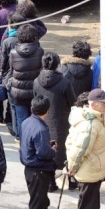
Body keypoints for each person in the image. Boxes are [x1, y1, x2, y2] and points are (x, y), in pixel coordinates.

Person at [65, 88, 105, 209]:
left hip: (92, 172)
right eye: (103, 103)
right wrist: (72, 168)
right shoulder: (91, 124)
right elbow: (80, 149)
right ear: (94, 105)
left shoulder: (96, 120)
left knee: (91, 208)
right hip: (89, 174)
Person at [33, 51, 75, 190]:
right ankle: (71, 180)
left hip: (42, 121)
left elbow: (35, 99)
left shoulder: (36, 81)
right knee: (66, 151)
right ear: (57, 64)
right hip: (61, 122)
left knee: (47, 150)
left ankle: (50, 182)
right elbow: (72, 102)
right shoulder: (64, 82)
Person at [19, 95, 56, 209]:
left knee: (41, 203)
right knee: (37, 205)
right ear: (47, 111)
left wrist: (47, 145)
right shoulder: (40, 128)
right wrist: (53, 151)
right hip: (38, 171)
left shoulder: (26, 122)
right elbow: (44, 153)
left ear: (31, 107)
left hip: (30, 169)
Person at [8, 24, 44, 139]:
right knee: (35, 119)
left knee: (21, 119)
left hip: (17, 91)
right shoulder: (40, 51)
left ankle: (22, 141)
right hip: (34, 90)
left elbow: (11, 70)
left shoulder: (13, 52)